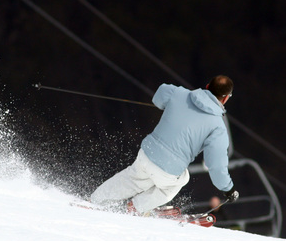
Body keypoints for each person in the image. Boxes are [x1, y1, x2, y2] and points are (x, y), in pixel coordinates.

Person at [90, 75, 239, 216]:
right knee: (177, 182)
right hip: (169, 169)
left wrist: (170, 104)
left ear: (207, 86)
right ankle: (136, 207)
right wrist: (228, 189)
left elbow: (160, 94)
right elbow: (216, 166)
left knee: (132, 179)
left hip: (147, 153)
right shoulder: (218, 127)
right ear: (225, 98)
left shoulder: (180, 93)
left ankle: (96, 200)